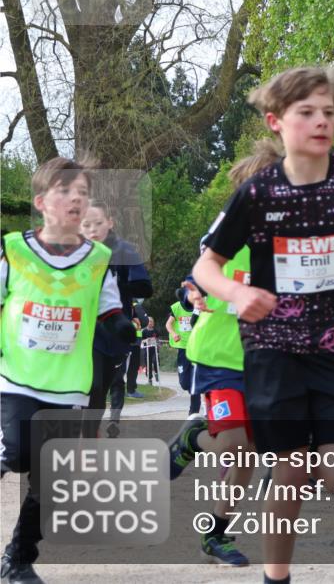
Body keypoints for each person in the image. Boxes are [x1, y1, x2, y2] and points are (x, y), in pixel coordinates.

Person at [191, 66, 334, 584]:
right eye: (306, 113)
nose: (321, 122)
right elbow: (206, 266)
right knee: (291, 471)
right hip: (273, 351)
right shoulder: (258, 195)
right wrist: (237, 291)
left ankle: (288, 474)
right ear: (277, 122)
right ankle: (278, 577)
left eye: (329, 112)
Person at [1, 157, 136, 584]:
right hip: (17, 376)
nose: (76, 198)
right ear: (41, 202)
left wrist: (119, 325)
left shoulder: (98, 258)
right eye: (65, 191)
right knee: (20, 452)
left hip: (68, 386)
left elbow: (109, 304)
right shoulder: (14, 250)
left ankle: (18, 559)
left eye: (82, 191)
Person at [169, 142, 284, 568]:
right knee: (234, 446)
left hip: (265, 362)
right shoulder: (224, 237)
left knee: (248, 451)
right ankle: (193, 439)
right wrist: (192, 293)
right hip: (218, 356)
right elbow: (193, 279)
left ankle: (217, 534)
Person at [80, 201, 151, 435]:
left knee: (102, 390)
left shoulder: (125, 250)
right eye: (86, 224)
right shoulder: (72, 252)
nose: (92, 229)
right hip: (84, 331)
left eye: (98, 223)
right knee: (93, 385)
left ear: (110, 222)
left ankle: (91, 432)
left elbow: (144, 286)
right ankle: (83, 439)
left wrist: (131, 283)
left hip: (117, 332)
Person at [166, 296, 201, 416]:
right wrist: (174, 333)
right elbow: (168, 324)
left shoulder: (200, 306)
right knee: (185, 383)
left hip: (196, 348)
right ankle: (192, 390)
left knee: (194, 382)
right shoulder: (176, 307)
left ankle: (194, 412)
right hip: (182, 348)